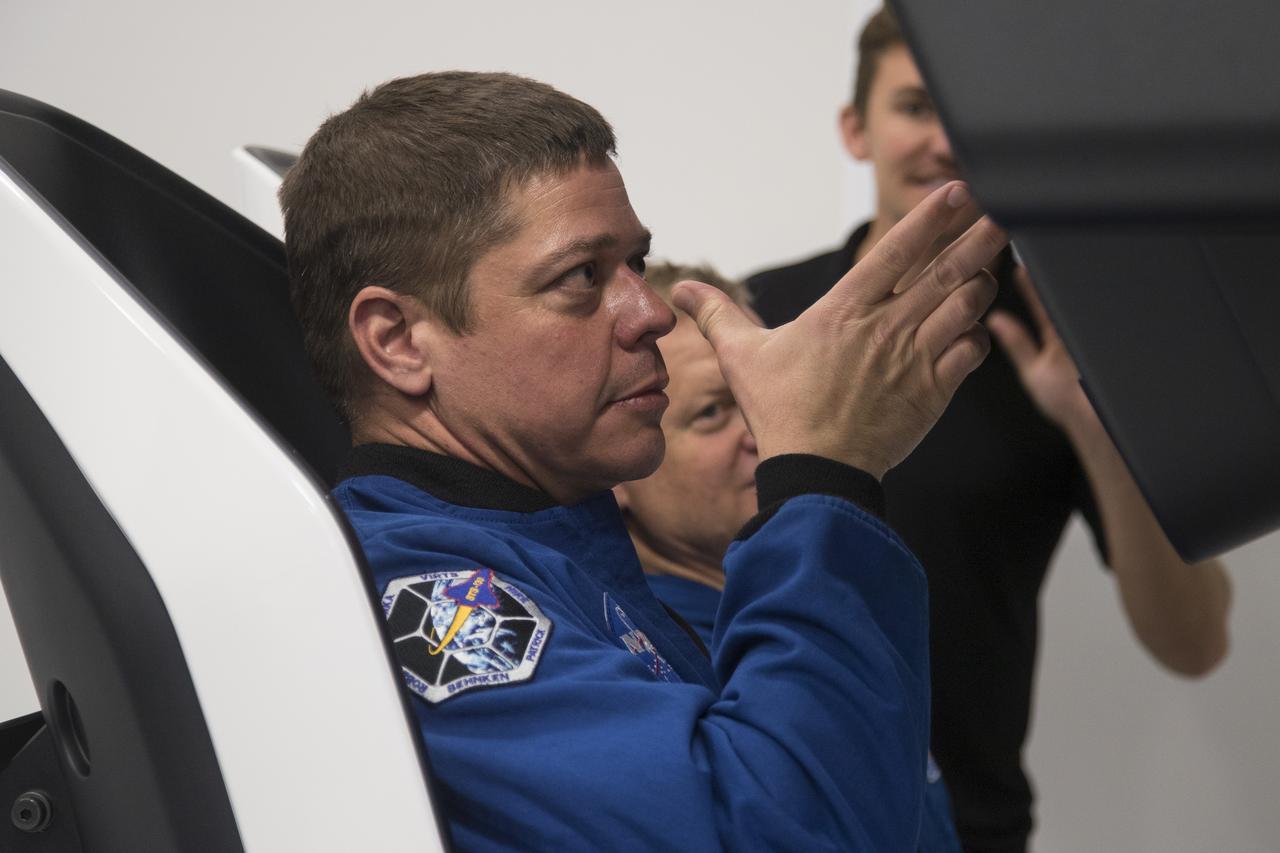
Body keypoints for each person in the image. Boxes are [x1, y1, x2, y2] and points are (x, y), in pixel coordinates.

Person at [280, 70, 1007, 850]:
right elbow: (785, 837)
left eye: (636, 262)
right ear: (397, 341)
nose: (651, 311)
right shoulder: (430, 610)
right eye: (583, 277)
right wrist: (822, 471)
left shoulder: (558, 553)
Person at [747, 9, 1233, 852]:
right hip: (765, 810)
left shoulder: (1069, 347)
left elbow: (1196, 641)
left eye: (966, 117)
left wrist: (1092, 421)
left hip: (970, 828)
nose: (943, 142)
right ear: (856, 130)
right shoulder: (765, 317)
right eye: (913, 108)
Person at [617, 260, 961, 852]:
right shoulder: (648, 671)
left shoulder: (836, 593)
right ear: (620, 466)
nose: (764, 426)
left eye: (764, 389)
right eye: (712, 412)